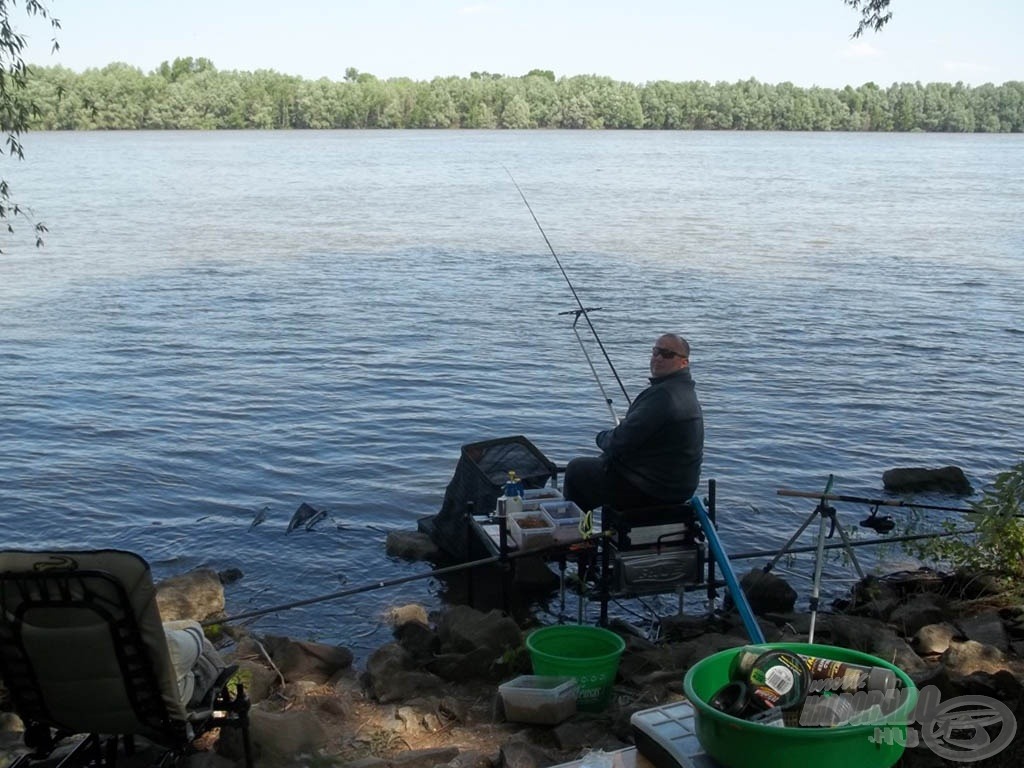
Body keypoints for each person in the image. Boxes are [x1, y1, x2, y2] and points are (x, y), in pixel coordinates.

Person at [563, 333, 704, 513]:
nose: (659, 358)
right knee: (604, 463)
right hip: (678, 488)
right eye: (656, 351)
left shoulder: (664, 395)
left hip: (652, 490)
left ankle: (577, 536)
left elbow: (620, 441)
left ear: (684, 362)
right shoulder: (684, 391)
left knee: (577, 470)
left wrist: (601, 438)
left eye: (668, 354)